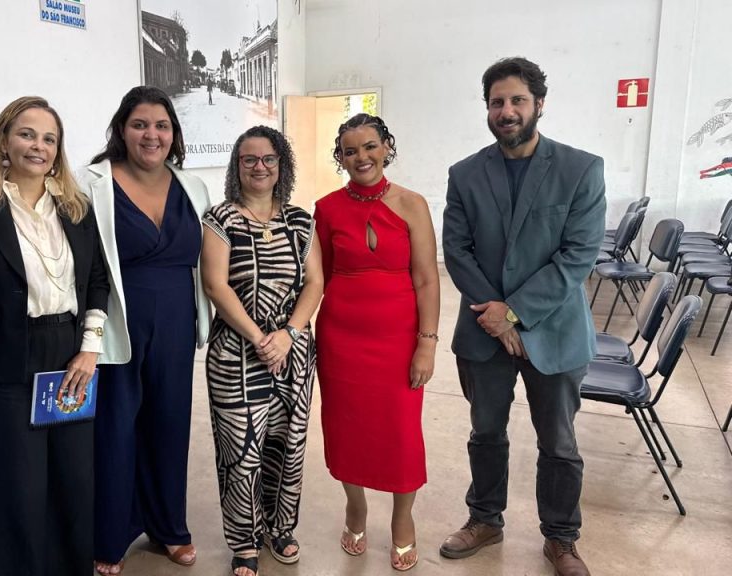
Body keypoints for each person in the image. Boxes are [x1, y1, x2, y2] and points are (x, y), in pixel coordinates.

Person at [439, 57, 605, 576]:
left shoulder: (581, 169)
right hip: (483, 331)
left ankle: (561, 537)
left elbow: (578, 255)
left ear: (539, 105)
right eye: (497, 102)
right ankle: (484, 519)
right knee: (485, 432)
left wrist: (513, 313)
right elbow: (457, 250)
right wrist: (495, 316)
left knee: (559, 442)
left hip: (553, 332)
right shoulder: (465, 174)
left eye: (517, 100)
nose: (506, 111)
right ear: (487, 108)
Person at [0, 96, 110, 576]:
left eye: (49, 138)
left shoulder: (76, 208)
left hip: (71, 356)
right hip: (8, 362)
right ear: (4, 141)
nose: (39, 146)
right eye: (27, 134)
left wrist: (90, 348)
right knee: (19, 488)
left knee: (74, 482)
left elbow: (96, 279)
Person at [76, 85, 211, 575]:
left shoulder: (193, 186)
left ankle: (168, 527)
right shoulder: (90, 182)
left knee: (170, 424)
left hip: (176, 323)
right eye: (139, 125)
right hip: (117, 323)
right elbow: (82, 263)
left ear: (174, 134)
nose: (151, 135)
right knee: (114, 429)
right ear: (121, 130)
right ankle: (110, 534)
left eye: (161, 126)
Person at [314, 113, 440, 572]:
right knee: (346, 428)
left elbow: (427, 279)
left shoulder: (413, 204)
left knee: (401, 432)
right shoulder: (326, 208)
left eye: (369, 146)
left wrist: (427, 342)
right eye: (350, 151)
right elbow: (319, 277)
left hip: (398, 338)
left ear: (387, 147)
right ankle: (356, 506)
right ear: (340, 157)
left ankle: (403, 518)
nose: (361, 157)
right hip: (341, 338)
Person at [200, 126, 323, 576]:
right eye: (249, 159)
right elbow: (215, 285)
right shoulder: (220, 219)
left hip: (293, 353)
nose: (259, 167)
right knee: (241, 452)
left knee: (287, 446)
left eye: (269, 158)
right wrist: (259, 338)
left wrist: (288, 334)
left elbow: (316, 282)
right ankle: (244, 540)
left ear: (281, 165)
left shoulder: (300, 220)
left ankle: (281, 528)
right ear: (237, 166)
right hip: (236, 354)